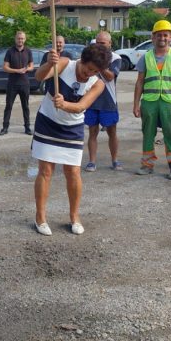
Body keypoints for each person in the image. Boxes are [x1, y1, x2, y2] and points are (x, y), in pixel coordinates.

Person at [32, 44, 110, 236]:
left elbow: (81, 106)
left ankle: (75, 216)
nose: (88, 74)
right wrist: (49, 64)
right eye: (87, 68)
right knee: (46, 170)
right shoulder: (65, 63)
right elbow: (39, 77)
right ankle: (40, 217)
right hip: (47, 122)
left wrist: (64, 104)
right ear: (82, 60)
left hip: (72, 128)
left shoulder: (98, 83)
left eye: (94, 71)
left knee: (73, 171)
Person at [133, 20, 171, 180]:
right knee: (147, 133)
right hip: (149, 101)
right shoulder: (146, 57)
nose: (162, 38)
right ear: (153, 37)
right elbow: (140, 81)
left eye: (165, 35)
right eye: (158, 35)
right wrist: (136, 104)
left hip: (170, 102)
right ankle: (147, 165)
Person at [84, 31, 123, 171]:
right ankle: (92, 161)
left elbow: (110, 76)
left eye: (102, 43)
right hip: (91, 100)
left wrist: (99, 64)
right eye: (97, 42)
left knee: (112, 132)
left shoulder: (116, 58)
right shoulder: (90, 56)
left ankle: (115, 160)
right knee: (92, 132)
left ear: (109, 44)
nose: (99, 45)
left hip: (108, 101)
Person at [0, 30, 34, 136]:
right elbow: (5, 67)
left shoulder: (28, 51)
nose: (20, 40)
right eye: (19, 38)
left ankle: (27, 128)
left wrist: (27, 69)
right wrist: (17, 71)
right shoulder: (10, 51)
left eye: (22, 38)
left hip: (25, 84)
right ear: (15, 39)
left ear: (25, 39)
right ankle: (5, 128)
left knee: (25, 106)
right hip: (12, 84)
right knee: (8, 106)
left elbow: (32, 66)